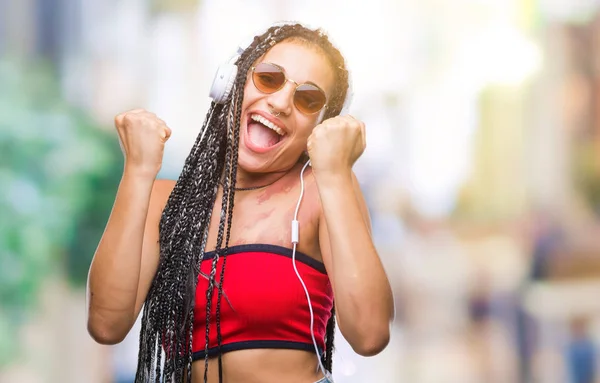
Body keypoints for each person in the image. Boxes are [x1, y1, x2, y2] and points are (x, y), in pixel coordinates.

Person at [86, 22, 394, 383]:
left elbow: (370, 334)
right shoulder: (166, 201)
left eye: (308, 99)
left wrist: (337, 172)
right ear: (231, 84)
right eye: (268, 78)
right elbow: (106, 325)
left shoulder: (322, 191)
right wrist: (137, 171)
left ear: (319, 128)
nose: (279, 103)